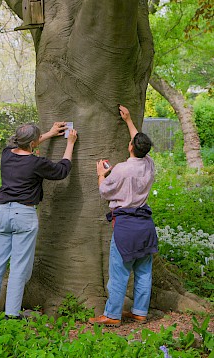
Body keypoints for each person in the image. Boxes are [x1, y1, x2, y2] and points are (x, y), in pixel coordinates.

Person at [0, 122, 77, 319]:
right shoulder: (36, 163)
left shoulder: (6, 154)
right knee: (19, 267)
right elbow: (61, 170)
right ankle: (12, 315)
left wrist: (49, 133)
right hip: (23, 215)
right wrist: (70, 144)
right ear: (33, 143)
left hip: (2, 214)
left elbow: (25, 145)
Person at [89, 105, 158, 327]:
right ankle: (139, 311)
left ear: (130, 147)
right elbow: (139, 143)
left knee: (118, 273)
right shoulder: (148, 165)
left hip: (126, 227)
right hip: (146, 226)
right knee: (144, 271)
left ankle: (112, 315)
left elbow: (104, 191)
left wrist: (101, 174)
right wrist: (129, 120)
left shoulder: (121, 169)